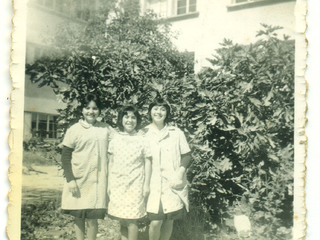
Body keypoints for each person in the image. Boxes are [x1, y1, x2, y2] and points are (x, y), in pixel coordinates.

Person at [60, 93, 111, 240]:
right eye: (87, 108)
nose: (91, 111)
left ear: (99, 111)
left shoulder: (105, 129)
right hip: (78, 180)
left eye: (95, 108)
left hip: (97, 182)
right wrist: (70, 180)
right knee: (78, 216)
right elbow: (65, 156)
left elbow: (121, 140)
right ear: (82, 110)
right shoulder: (74, 129)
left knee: (92, 218)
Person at [144, 98, 192, 240]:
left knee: (169, 219)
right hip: (152, 184)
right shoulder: (143, 133)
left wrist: (180, 173)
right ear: (150, 111)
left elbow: (187, 155)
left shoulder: (176, 133)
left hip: (172, 182)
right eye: (155, 108)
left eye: (163, 109)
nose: (158, 112)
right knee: (156, 221)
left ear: (167, 113)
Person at [107, 105, 152, 240]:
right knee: (122, 218)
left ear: (137, 120)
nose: (130, 120)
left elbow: (148, 162)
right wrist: (109, 184)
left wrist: (146, 185)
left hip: (135, 184)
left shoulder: (142, 139)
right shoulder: (115, 138)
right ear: (121, 119)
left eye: (133, 117)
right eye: (126, 117)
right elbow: (110, 162)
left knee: (132, 220)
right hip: (118, 184)